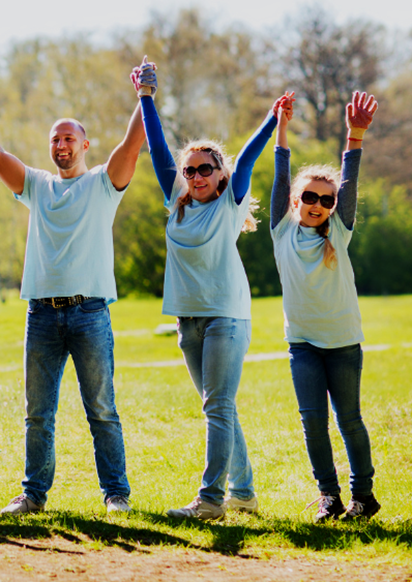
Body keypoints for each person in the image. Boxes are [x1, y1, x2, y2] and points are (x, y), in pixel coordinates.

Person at [0, 63, 146, 514]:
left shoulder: (103, 184)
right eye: (55, 138)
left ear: (85, 145)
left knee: (102, 410)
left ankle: (116, 494)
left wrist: (144, 95)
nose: (61, 144)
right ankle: (33, 495)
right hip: (42, 315)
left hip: (90, 312)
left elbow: (133, 143)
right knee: (38, 414)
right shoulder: (37, 185)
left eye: (69, 137)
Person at [137, 58, 281, 520]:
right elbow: (158, 149)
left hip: (226, 316)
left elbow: (251, 154)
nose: (197, 176)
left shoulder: (230, 204)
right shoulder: (176, 204)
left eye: (205, 169)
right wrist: (145, 99)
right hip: (188, 320)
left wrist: (273, 118)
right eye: (191, 170)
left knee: (218, 406)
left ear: (221, 174)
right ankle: (245, 492)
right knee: (217, 407)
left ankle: (211, 499)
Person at [271, 91, 381, 521]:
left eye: (326, 200)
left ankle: (363, 497)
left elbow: (349, 180)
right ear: (296, 201)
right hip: (303, 345)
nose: (318, 205)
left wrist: (354, 136)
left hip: (343, 344)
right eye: (310, 198)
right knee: (313, 423)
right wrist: (281, 126)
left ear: (334, 207)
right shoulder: (282, 230)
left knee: (349, 421)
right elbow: (281, 174)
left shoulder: (339, 232)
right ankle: (329, 497)